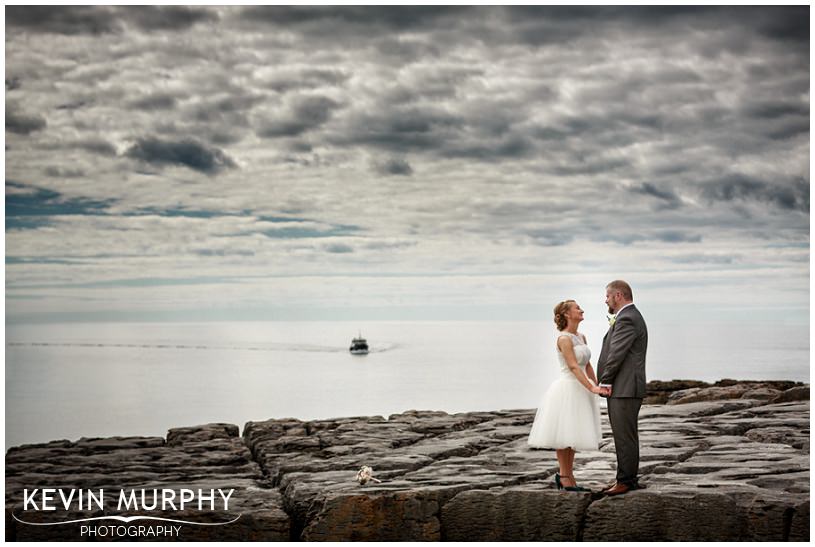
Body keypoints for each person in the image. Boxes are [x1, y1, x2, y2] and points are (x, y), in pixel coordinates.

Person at [527, 299, 605, 492]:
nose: (582, 310)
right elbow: (572, 365)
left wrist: (597, 384)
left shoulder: (581, 336)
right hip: (568, 388)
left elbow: (586, 365)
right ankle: (564, 476)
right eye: (577, 308)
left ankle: (569, 476)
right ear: (567, 314)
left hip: (581, 388)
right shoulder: (564, 339)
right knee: (564, 435)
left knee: (573, 434)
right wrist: (590, 387)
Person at [597, 280, 648, 496]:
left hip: (624, 387)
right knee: (627, 435)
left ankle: (625, 481)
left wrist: (605, 381)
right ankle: (628, 478)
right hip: (626, 387)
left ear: (618, 295)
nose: (605, 300)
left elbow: (616, 353)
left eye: (607, 296)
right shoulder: (631, 316)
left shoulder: (627, 318)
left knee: (624, 436)